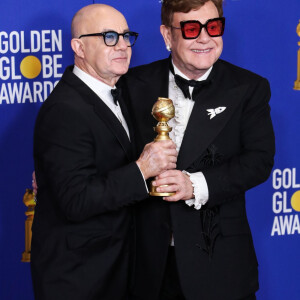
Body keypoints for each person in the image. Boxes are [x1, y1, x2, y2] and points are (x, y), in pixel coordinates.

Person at [123, 0, 275, 299]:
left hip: (219, 260)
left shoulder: (249, 87)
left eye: (214, 27)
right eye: (192, 29)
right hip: (146, 263)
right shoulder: (132, 84)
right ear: (168, 36)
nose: (205, 38)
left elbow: (259, 161)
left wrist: (194, 184)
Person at [30, 4, 177, 300]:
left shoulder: (121, 93)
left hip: (121, 271)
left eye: (126, 36)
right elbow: (76, 200)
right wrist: (142, 169)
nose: (122, 45)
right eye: (109, 37)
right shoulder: (64, 110)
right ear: (79, 47)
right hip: (81, 279)